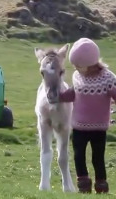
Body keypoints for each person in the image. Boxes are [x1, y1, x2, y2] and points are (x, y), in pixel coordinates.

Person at [59, 38, 116, 194]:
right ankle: (83, 185)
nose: (76, 68)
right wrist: (59, 96)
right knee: (79, 156)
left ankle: (101, 186)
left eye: (79, 65)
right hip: (78, 126)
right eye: (75, 65)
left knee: (98, 158)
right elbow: (73, 93)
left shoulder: (108, 78)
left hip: (99, 128)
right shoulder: (78, 76)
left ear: (91, 63)